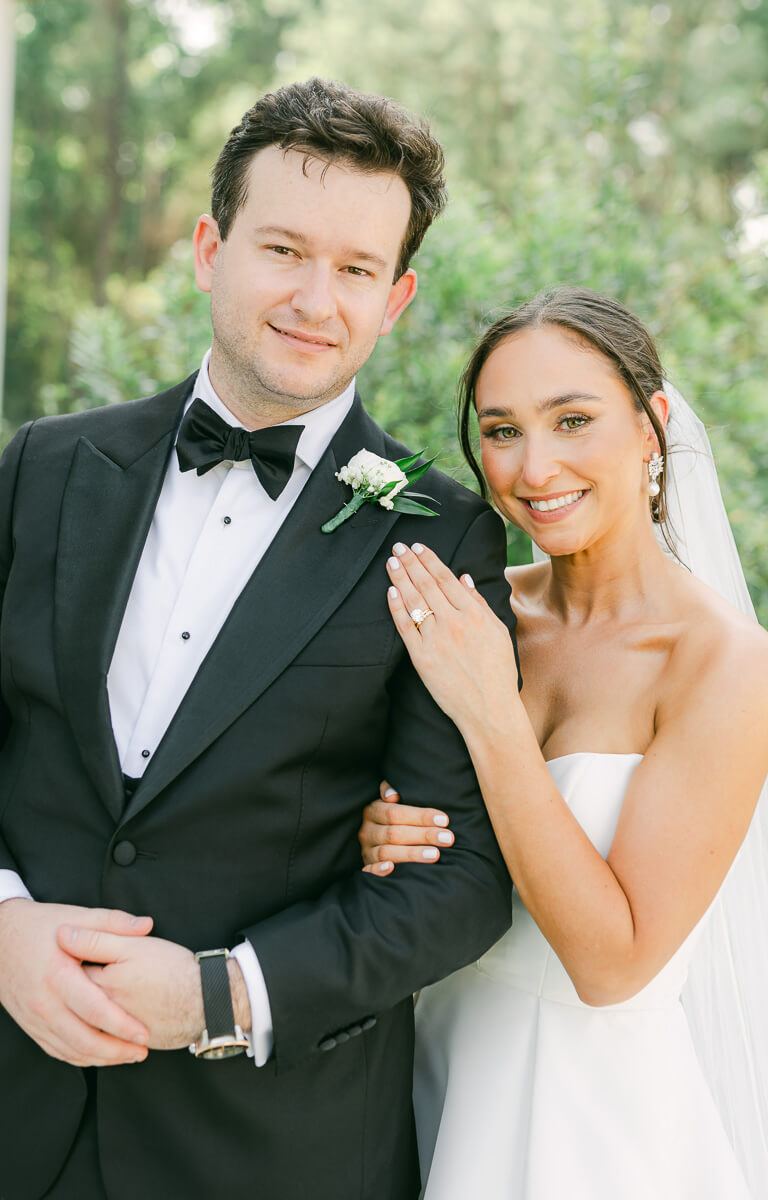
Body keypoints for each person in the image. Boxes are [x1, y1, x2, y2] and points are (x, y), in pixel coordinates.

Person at [0, 78, 515, 1200]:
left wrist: (222, 994)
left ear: (397, 300)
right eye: (283, 248)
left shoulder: (444, 535)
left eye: (356, 269)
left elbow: (464, 882)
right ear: (208, 249)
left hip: (273, 1151)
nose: (314, 298)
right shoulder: (41, 467)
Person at [359, 287, 768, 1198]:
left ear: (652, 429)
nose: (534, 465)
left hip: (587, 1126)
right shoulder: (469, 613)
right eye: (502, 429)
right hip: (421, 1072)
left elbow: (614, 963)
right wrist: (372, 834)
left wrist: (491, 713)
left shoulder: (725, 666)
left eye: (572, 420)